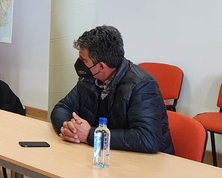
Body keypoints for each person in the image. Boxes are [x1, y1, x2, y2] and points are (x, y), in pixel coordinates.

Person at [51, 25, 174, 154]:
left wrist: (90, 135)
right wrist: (68, 128)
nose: (79, 64)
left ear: (101, 66)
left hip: (146, 164)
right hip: (105, 154)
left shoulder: (142, 85)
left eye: (84, 60)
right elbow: (62, 107)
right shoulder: (88, 78)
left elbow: (147, 139)